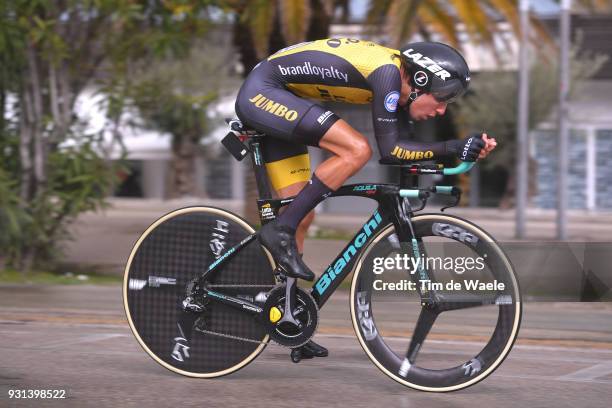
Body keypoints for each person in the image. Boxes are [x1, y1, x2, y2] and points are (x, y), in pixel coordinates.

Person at [234, 38, 497, 359]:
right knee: (357, 149)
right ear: (420, 80)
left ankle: (290, 320)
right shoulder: (387, 74)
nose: (442, 110)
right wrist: (453, 147)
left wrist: (460, 152)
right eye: (441, 99)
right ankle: (279, 231)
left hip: (285, 97)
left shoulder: (399, 87)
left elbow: (403, 151)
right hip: (264, 92)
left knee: (302, 214)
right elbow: (390, 151)